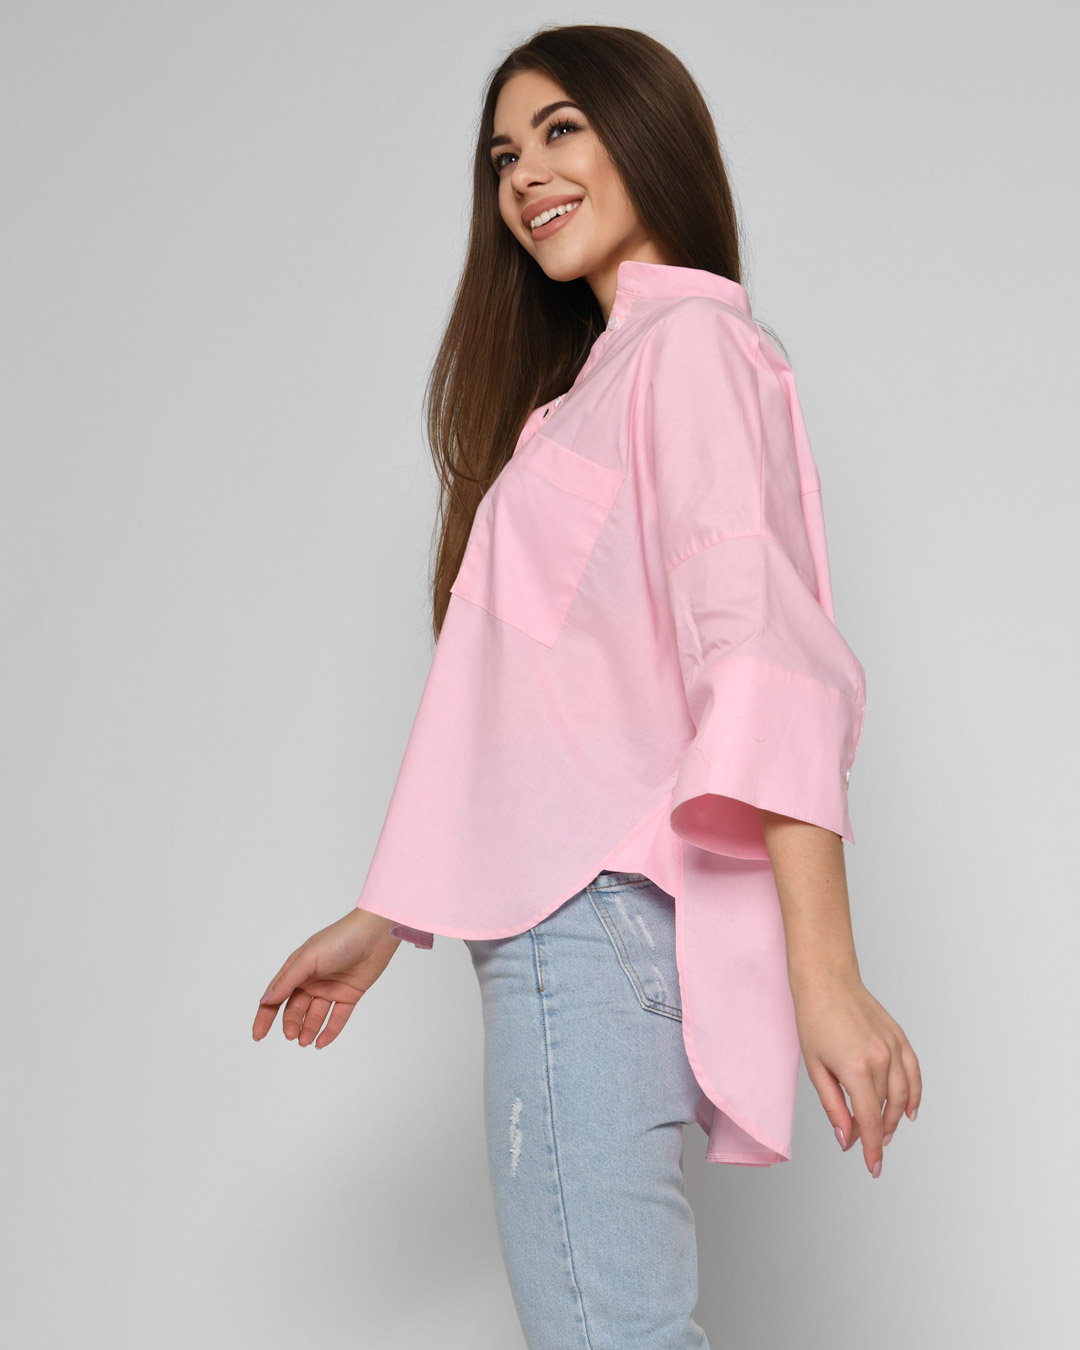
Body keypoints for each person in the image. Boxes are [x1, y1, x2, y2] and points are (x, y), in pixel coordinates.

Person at [252, 23, 922, 1350]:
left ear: (648, 135)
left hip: (590, 926)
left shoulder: (689, 349)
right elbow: (538, 710)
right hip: (570, 925)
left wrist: (829, 973)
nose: (525, 176)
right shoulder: (585, 393)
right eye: (504, 154)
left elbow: (759, 655)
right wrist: (390, 915)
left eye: (561, 129)